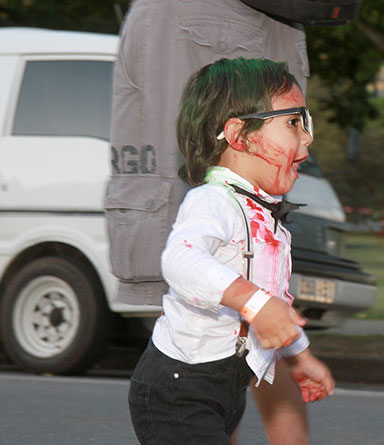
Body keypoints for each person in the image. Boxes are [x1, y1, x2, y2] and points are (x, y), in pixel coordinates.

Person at [104, 1, 312, 442]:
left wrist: (300, 354)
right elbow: (181, 261)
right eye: (294, 123)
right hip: (178, 391)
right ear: (237, 135)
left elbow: (273, 303)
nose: (308, 139)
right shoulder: (213, 202)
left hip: (223, 382)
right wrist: (254, 305)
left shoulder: (264, 215)